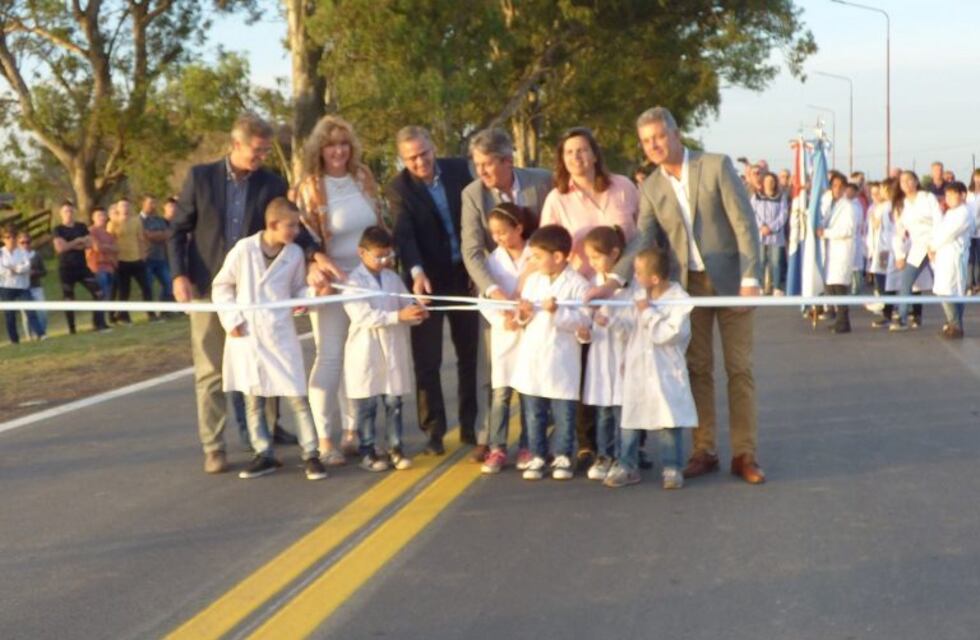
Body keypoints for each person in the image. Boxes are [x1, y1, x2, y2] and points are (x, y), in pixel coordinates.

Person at [593, 106, 765, 485]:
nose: (653, 145)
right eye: (646, 141)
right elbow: (643, 238)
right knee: (696, 370)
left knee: (739, 368)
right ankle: (703, 449)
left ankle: (744, 453)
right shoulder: (651, 186)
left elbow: (743, 222)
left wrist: (751, 276)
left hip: (733, 283)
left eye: (658, 137)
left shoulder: (716, 166)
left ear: (675, 134)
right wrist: (613, 280)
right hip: (687, 289)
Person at [170, 113, 326, 474]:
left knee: (266, 362)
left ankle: (266, 437)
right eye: (256, 150)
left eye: (266, 151)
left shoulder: (270, 182)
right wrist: (179, 274)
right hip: (211, 287)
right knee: (212, 371)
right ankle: (214, 444)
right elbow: (178, 229)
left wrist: (315, 255)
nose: (261, 157)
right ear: (235, 145)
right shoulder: (201, 178)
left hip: (259, 294)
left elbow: (288, 225)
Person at [539, 126, 639, 471]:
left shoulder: (623, 188)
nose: (576, 158)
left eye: (582, 150)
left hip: (621, 287)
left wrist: (616, 278)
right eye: (569, 153)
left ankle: (631, 444)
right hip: (579, 293)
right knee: (586, 370)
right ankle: (588, 444)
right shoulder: (557, 198)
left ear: (595, 154)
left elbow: (640, 237)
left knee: (627, 368)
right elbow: (546, 247)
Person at [211, 197, 327, 481]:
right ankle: (264, 453)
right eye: (290, 226)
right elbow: (222, 285)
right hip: (248, 335)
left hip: (279, 333)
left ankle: (311, 453)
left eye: (297, 225)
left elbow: (297, 289)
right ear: (272, 224)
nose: (295, 231)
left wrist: (313, 295)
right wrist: (232, 319)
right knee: (254, 398)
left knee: (297, 395)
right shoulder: (244, 250)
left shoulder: (295, 254)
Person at [297, 114, 386, 465]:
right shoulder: (309, 186)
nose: (338, 151)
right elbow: (302, 238)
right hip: (331, 281)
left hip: (365, 278)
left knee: (359, 355)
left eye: (344, 143)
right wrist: (313, 267)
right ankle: (324, 439)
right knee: (330, 355)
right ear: (320, 149)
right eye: (331, 144)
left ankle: (353, 431)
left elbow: (378, 223)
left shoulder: (362, 177)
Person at [460, 127, 552, 461]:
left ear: (507, 161)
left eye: (486, 164)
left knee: (537, 368)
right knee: (495, 370)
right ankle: (491, 439)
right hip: (496, 288)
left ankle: (537, 437)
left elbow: (555, 231)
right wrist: (495, 291)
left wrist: (537, 277)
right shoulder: (473, 194)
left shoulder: (541, 181)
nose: (481, 171)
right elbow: (471, 251)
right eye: (476, 164)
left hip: (538, 288)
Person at [388, 125, 477, 455]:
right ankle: (434, 431)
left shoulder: (459, 170)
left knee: (468, 355)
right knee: (427, 360)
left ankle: (470, 427)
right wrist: (416, 272)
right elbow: (404, 234)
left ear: (433, 148)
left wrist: (476, 268)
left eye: (424, 153)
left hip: (463, 275)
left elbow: (475, 220)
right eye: (411, 158)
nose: (420, 162)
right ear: (403, 159)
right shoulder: (399, 188)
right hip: (426, 280)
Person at [605, 248, 697, 489]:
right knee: (631, 418)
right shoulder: (637, 295)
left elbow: (667, 334)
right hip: (637, 367)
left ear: (655, 278)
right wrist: (612, 321)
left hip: (666, 369)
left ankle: (672, 467)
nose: (634, 276)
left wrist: (647, 311)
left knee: (669, 418)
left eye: (638, 272)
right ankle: (626, 464)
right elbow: (627, 327)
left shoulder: (680, 301)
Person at [342, 226, 429, 472]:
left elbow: (405, 301)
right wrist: (398, 316)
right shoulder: (353, 282)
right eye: (378, 256)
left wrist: (417, 311)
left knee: (394, 402)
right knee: (367, 406)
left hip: (391, 348)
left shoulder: (392, 278)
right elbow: (363, 317)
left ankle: (395, 448)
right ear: (362, 252)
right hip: (365, 350)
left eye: (387, 256)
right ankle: (368, 451)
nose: (384, 261)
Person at [512, 225, 592, 481]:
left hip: (561, 358)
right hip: (534, 357)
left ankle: (563, 455)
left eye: (537, 256)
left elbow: (584, 321)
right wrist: (522, 314)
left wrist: (557, 312)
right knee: (534, 410)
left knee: (563, 411)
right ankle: (536, 454)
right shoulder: (533, 281)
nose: (533, 262)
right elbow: (522, 318)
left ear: (557, 257)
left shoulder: (578, 284)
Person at [477, 203, 535, 474]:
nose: (498, 238)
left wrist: (523, 316)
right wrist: (503, 319)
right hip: (504, 334)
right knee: (501, 393)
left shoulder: (535, 255)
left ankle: (528, 445)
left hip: (531, 333)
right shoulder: (492, 261)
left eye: (503, 232)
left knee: (527, 393)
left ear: (519, 228)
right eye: (494, 233)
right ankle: (497, 446)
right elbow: (483, 300)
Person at [580, 225, 630, 482]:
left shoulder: (628, 287)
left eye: (597, 257)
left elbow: (632, 324)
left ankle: (623, 457)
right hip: (600, 356)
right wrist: (584, 331)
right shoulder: (591, 285)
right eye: (589, 258)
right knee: (603, 411)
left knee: (621, 410)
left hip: (620, 356)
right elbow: (583, 319)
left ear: (615, 253)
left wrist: (608, 322)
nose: (593, 263)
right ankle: (604, 455)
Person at [891, 171, 942, 332]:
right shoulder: (901, 204)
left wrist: (934, 245)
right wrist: (899, 255)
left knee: (945, 284)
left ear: (916, 181)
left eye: (909, 180)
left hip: (936, 244)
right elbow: (898, 232)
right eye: (902, 181)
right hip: (918, 247)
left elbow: (938, 221)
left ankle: (954, 320)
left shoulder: (927, 198)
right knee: (907, 279)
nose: (906, 184)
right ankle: (902, 316)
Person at [52, 201, 109, 334]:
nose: (69, 214)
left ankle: (98, 323)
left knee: (99, 292)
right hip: (66, 268)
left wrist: (70, 244)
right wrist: (77, 242)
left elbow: (89, 244)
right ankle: (72, 329)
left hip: (82, 267)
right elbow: (60, 248)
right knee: (69, 298)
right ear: (61, 213)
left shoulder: (81, 227)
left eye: (71, 211)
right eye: (66, 211)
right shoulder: (58, 229)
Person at [930, 181, 972, 339]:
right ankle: (954, 323)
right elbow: (940, 230)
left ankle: (955, 324)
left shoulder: (963, 213)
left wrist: (933, 246)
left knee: (948, 290)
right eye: (946, 195)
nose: (948, 198)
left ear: (962, 195)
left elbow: (948, 233)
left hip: (954, 256)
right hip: (944, 255)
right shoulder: (950, 213)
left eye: (951, 195)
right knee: (950, 290)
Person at [816, 174, 857, 334]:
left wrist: (825, 233)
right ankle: (840, 320)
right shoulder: (831, 205)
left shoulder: (848, 206)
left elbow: (847, 230)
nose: (837, 189)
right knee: (832, 286)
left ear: (846, 188)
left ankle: (843, 322)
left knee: (839, 287)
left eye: (841, 186)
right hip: (831, 251)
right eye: (834, 186)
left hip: (841, 251)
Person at [108, 196, 156, 323]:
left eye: (127, 205)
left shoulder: (136, 221)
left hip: (136, 259)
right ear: (118, 208)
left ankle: (151, 313)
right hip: (121, 261)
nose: (125, 208)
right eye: (122, 206)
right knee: (124, 291)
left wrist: (143, 254)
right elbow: (110, 241)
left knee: (146, 287)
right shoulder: (112, 223)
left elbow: (141, 238)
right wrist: (113, 260)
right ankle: (123, 316)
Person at [1, 226, 45, 343]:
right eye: (8, 237)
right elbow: (1, 270)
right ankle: (14, 340)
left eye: (13, 237)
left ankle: (40, 334)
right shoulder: (1, 253)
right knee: (9, 315)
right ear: (3, 239)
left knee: (30, 311)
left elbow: (27, 266)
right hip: (6, 287)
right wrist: (11, 270)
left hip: (22, 287)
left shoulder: (23, 252)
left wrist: (15, 269)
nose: (11, 239)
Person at [751, 172, 788, 295]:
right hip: (760, 234)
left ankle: (776, 287)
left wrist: (771, 228)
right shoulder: (756, 196)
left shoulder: (780, 197)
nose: (769, 184)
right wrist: (761, 226)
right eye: (767, 181)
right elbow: (753, 212)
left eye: (772, 181)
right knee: (761, 260)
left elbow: (783, 215)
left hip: (775, 235)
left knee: (776, 261)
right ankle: (761, 287)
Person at [866, 181, 894, 328]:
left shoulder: (887, 206)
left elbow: (880, 225)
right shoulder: (884, 206)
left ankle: (886, 309)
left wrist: (873, 219)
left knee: (884, 278)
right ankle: (886, 308)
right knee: (882, 277)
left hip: (885, 248)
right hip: (881, 246)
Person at [140, 195, 174, 307]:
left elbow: (169, 234)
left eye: (154, 203)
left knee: (168, 283)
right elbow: (146, 235)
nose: (153, 206)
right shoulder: (139, 220)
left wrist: (156, 235)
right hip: (146, 257)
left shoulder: (159, 220)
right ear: (143, 204)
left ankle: (165, 309)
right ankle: (151, 312)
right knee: (148, 286)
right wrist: (160, 235)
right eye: (150, 203)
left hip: (161, 257)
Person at [18, 233, 47, 340]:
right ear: (18, 244)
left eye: (28, 242)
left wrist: (35, 272)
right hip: (22, 288)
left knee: (42, 311)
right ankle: (29, 336)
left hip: (36, 286)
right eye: (22, 243)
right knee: (26, 314)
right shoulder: (16, 256)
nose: (25, 245)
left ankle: (42, 333)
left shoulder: (36, 255)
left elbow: (44, 271)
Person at [87, 207, 118, 304]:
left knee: (109, 295)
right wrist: (109, 247)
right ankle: (100, 318)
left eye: (103, 215)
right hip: (97, 267)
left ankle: (105, 317)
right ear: (93, 218)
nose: (101, 218)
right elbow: (97, 248)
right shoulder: (90, 231)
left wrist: (104, 247)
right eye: (99, 215)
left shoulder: (109, 234)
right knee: (102, 295)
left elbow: (117, 249)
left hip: (110, 266)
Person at [965, 170, 980, 294]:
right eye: (976, 178)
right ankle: (969, 284)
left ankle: (978, 284)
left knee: (978, 258)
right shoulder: (968, 193)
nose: (978, 181)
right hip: (969, 230)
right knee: (970, 258)